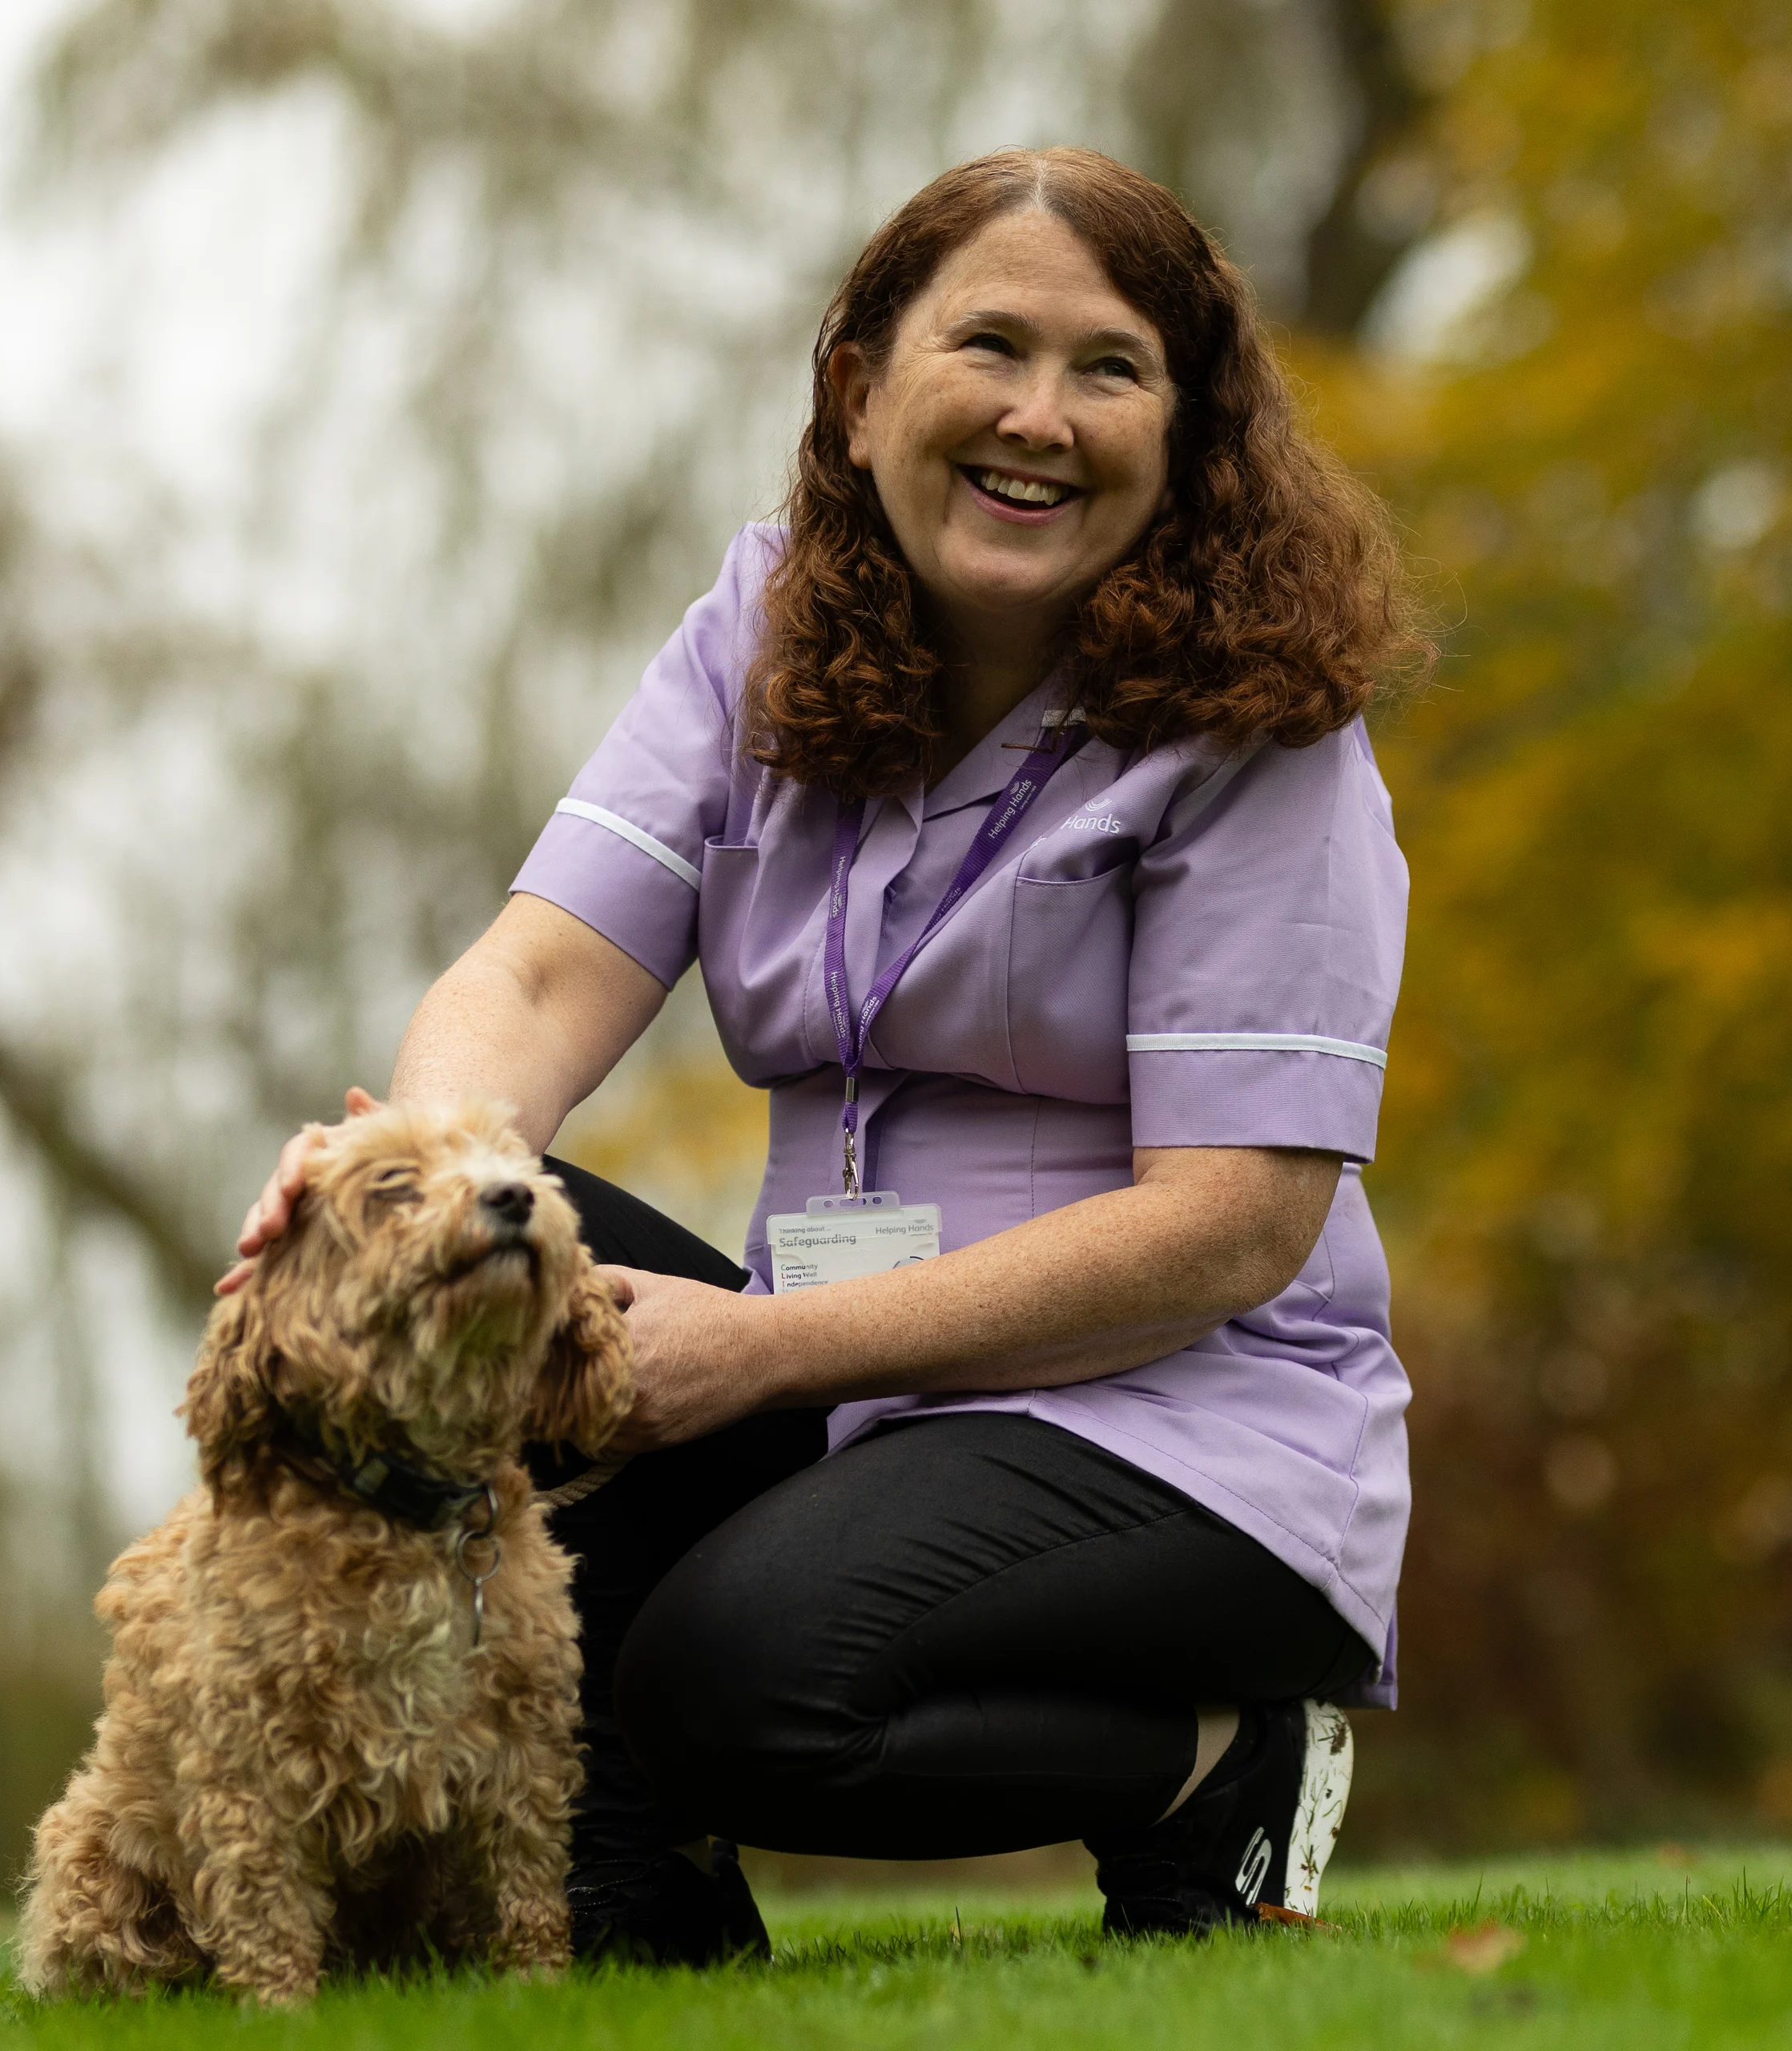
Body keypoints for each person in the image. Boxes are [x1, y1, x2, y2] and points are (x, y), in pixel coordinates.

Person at [225, 147, 1415, 1958]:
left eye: (1109, 367)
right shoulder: (761, 630)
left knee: (742, 1683)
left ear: (1185, 433)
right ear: (860, 389)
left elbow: (1231, 1224)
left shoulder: (1263, 727)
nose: (1039, 416)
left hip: (1183, 1416)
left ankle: (1220, 1762)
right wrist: (402, 1177)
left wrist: (768, 1347)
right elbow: (538, 976)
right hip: (852, 1385)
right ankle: (626, 1884)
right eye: (988, 346)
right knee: (463, 1256)